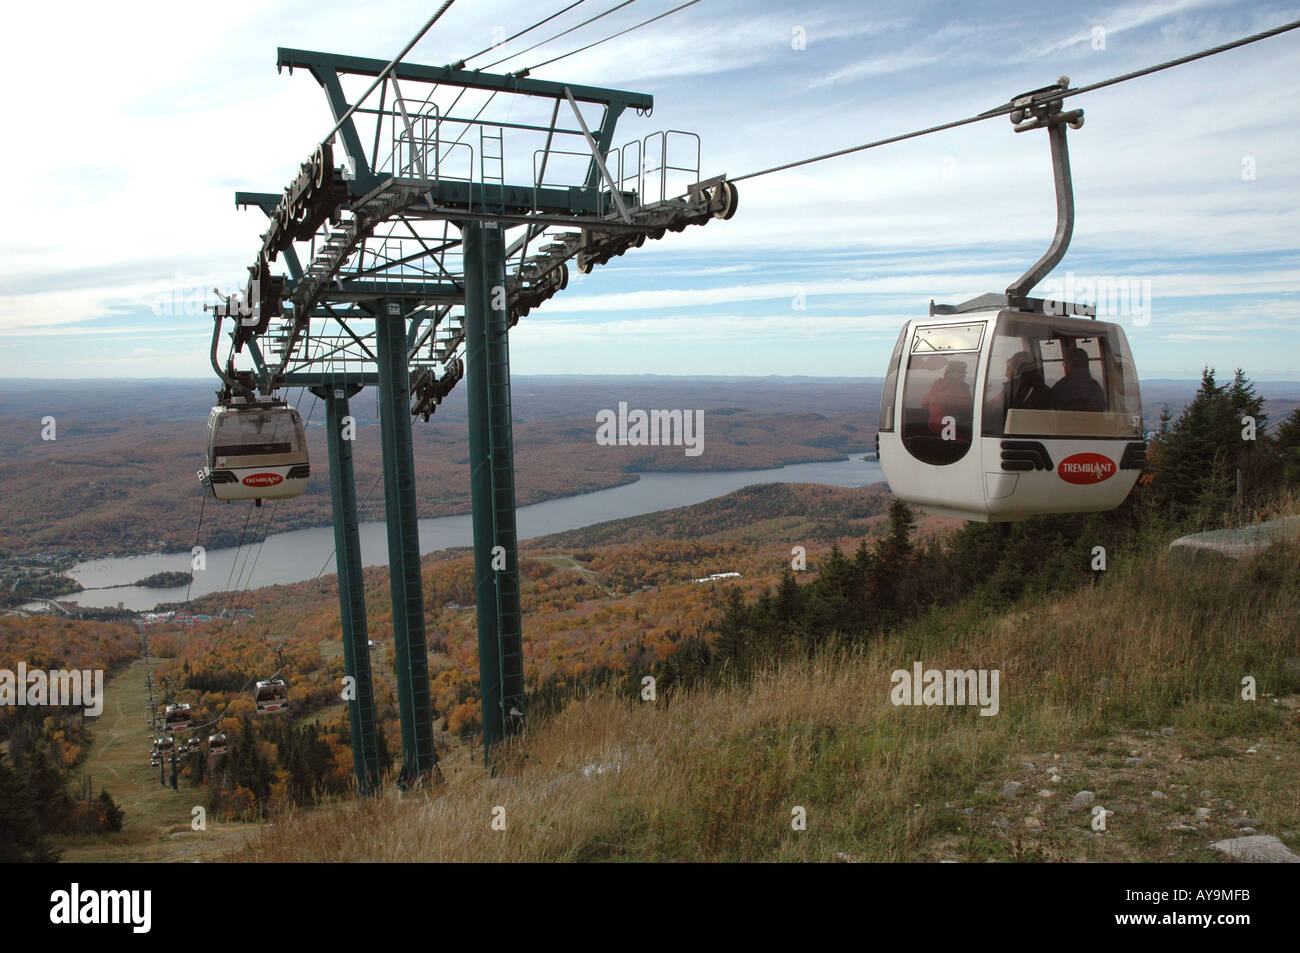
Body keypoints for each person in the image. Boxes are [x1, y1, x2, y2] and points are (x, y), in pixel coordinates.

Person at [921, 361, 972, 437]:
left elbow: (969, 408)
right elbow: (937, 415)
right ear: (951, 373)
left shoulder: (963, 388)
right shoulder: (941, 389)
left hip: (959, 425)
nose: (963, 375)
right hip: (942, 428)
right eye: (960, 372)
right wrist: (954, 429)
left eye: (964, 372)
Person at [1051, 346, 1107, 412]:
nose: (1065, 367)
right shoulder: (1095, 386)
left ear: (1070, 364)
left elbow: (1048, 406)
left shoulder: (1062, 386)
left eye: (1065, 364)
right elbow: (1101, 407)